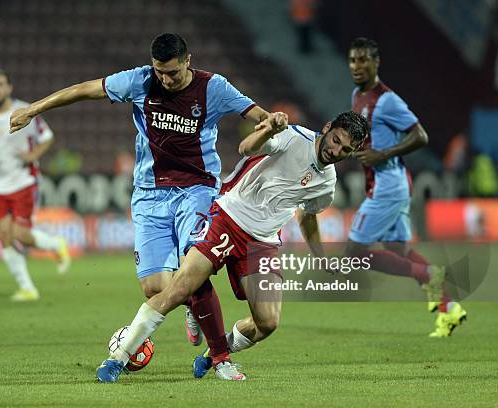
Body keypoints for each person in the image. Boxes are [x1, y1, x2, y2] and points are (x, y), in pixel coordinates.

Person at [10, 33, 271, 346]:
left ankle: (217, 352)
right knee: (153, 287)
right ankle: (192, 304)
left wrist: (271, 124)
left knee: (195, 262)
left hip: (197, 187)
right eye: (160, 71)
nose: (166, 79)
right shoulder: (140, 81)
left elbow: (258, 115)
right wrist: (33, 109)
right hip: (149, 191)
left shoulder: (213, 87)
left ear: (188, 61)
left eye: (173, 72)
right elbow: (84, 90)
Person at [95, 110, 369, 383]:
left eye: (346, 149)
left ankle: (215, 352)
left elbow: (307, 216)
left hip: (262, 242)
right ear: (328, 126)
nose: (336, 151)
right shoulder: (292, 137)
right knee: (179, 289)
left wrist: (321, 257)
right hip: (228, 217)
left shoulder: (327, 183)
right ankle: (117, 359)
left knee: (267, 323)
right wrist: (269, 130)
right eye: (336, 140)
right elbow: (246, 147)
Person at [346, 37, 466, 337]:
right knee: (398, 248)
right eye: (352, 60)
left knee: (353, 254)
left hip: (388, 184)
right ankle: (449, 309)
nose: (357, 66)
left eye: (363, 60)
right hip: (386, 183)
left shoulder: (387, 100)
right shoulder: (357, 96)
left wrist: (381, 154)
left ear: (376, 62)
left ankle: (429, 274)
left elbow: (420, 135)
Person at [0, 68, 71, 302]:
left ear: (9, 87)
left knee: (20, 234)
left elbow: (47, 136)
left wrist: (33, 155)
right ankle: (27, 288)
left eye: (0, 84)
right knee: (4, 236)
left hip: (24, 181)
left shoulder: (25, 110)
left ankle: (54, 244)